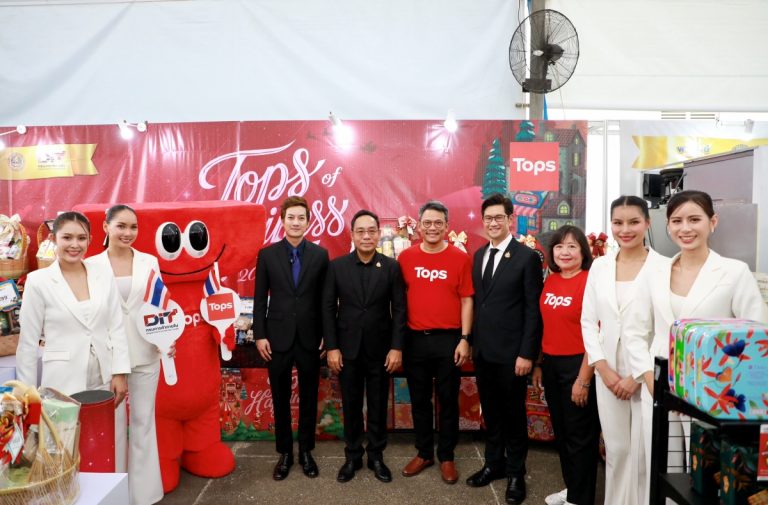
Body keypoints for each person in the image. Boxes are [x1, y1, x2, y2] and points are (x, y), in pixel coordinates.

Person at [623, 189, 768, 503]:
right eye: (677, 221)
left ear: (712, 222)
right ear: (667, 226)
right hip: (657, 387)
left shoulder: (733, 272)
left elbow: (755, 336)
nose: (685, 228)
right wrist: (649, 378)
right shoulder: (654, 273)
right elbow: (634, 331)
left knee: (701, 479)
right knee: (660, 472)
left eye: (694, 219)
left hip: (712, 394)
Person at [16, 211, 131, 459]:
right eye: (67, 237)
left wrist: (120, 372)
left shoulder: (103, 274)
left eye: (81, 238)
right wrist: (28, 398)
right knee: (65, 452)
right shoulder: (38, 282)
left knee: (109, 447)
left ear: (90, 240)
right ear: (54, 239)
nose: (74, 245)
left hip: (105, 378)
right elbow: (27, 344)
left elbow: (116, 326)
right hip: (62, 383)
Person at [580, 196, 666, 505]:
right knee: (616, 449)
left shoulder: (664, 267)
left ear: (647, 223)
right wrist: (602, 367)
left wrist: (637, 376)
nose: (625, 230)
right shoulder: (600, 266)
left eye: (633, 222)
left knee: (645, 451)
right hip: (607, 370)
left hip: (646, 372)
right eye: (618, 223)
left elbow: (664, 328)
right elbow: (588, 320)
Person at [465, 194, 542, 505]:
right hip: (484, 352)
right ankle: (493, 464)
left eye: (499, 217)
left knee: (513, 416)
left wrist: (527, 353)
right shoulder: (479, 255)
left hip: (513, 356)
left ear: (511, 219)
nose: (493, 223)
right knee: (492, 414)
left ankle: (515, 473)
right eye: (488, 218)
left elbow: (533, 310)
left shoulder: (526, 257)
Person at [84, 204, 164, 505]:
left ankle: (145, 494)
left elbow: (159, 305)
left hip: (146, 351)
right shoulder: (90, 265)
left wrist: (165, 337)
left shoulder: (149, 261)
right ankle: (113, 494)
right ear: (106, 227)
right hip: (107, 357)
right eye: (121, 226)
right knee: (113, 426)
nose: (128, 233)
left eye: (133, 227)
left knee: (144, 421)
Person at [322, 209, 407, 483]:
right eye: (361, 231)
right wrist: (332, 347)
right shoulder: (337, 267)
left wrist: (396, 347)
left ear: (379, 234)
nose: (366, 236)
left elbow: (400, 309)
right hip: (347, 350)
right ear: (352, 235)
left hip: (381, 351)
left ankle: (376, 456)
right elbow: (327, 308)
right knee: (351, 405)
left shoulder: (391, 267)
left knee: (379, 405)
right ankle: (353, 456)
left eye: (371, 231)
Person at [397, 200, 473, 485]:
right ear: (419, 226)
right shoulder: (406, 257)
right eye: (427, 223)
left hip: (448, 340)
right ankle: (424, 452)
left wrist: (465, 339)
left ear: (447, 226)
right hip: (415, 340)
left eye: (438, 223)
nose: (432, 227)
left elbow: (467, 301)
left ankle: (447, 456)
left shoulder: (460, 258)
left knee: (448, 401)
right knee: (419, 401)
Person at [254, 196, 329, 481]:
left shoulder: (320, 255)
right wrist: (260, 335)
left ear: (308, 222)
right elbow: (259, 300)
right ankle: (285, 453)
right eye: (291, 217)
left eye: (301, 218)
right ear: (282, 221)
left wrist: (327, 335)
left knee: (309, 397)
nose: (296, 223)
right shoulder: (267, 255)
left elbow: (326, 301)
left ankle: (306, 452)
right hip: (277, 338)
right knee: (280, 397)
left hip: (310, 337)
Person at [532, 225, 599, 505]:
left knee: (580, 436)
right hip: (551, 364)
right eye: (559, 246)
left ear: (583, 251)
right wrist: (539, 364)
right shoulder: (551, 280)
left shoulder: (590, 282)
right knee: (561, 432)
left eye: (572, 246)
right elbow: (545, 325)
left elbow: (597, 334)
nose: (565, 252)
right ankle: (572, 489)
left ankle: (581, 499)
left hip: (579, 365)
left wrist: (583, 379)